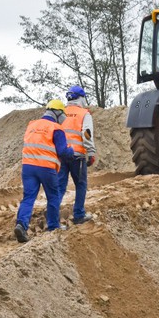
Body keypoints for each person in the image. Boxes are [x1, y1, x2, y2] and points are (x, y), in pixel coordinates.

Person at [14, 100, 74, 243]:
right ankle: (53, 226)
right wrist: (71, 151)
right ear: (58, 113)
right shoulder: (56, 128)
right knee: (53, 196)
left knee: (28, 198)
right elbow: (62, 151)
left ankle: (21, 225)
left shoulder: (32, 125)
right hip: (46, 167)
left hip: (28, 166)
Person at [57, 85, 97, 225]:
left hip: (61, 156)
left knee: (60, 186)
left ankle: (53, 212)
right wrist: (91, 152)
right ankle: (79, 214)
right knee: (80, 185)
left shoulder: (60, 113)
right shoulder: (83, 114)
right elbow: (86, 134)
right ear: (81, 98)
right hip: (77, 156)